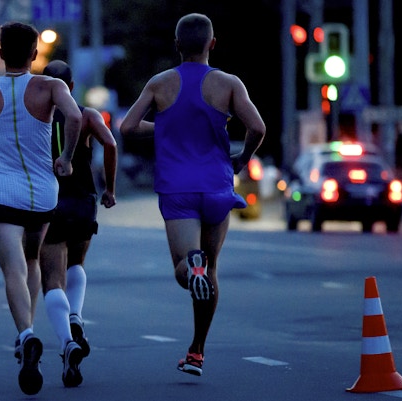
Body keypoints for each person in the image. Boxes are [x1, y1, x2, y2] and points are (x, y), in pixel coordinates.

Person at [119, 13, 266, 377]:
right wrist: (243, 159)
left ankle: (192, 267)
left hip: (178, 188)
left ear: (176, 45)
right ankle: (197, 351)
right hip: (217, 185)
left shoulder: (160, 83)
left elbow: (127, 126)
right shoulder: (229, 84)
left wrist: (166, 124)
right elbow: (257, 127)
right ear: (212, 44)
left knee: (185, 269)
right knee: (211, 271)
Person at [0, 21, 82, 395]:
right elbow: (75, 117)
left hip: (2, 195)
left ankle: (26, 335)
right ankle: (32, 331)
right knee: (31, 262)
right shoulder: (52, 87)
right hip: (44, 194)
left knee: (13, 268)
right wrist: (66, 158)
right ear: (33, 53)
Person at [39, 60, 118, 387]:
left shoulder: (34, 118)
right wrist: (110, 189)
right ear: (71, 87)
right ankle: (76, 316)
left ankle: (67, 342)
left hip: (49, 203)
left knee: (51, 279)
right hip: (84, 202)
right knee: (77, 262)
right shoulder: (87, 115)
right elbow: (110, 143)